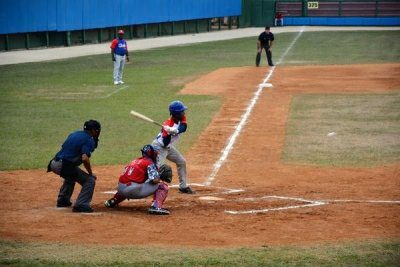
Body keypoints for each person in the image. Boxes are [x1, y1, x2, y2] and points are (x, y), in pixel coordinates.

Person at [47, 120, 101, 213]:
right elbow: (85, 158)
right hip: (63, 165)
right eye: (97, 130)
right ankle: (81, 204)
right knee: (89, 180)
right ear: (93, 131)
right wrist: (90, 173)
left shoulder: (75, 134)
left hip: (54, 163)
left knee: (71, 175)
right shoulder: (88, 139)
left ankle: (63, 200)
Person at [104, 145, 171, 215]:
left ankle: (113, 201)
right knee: (162, 186)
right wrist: (160, 176)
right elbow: (155, 180)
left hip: (120, 189)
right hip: (132, 191)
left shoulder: (135, 160)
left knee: (129, 181)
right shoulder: (149, 163)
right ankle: (156, 207)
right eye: (155, 154)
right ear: (151, 154)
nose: (156, 156)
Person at [152, 100, 195, 194]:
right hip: (159, 147)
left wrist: (175, 131)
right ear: (176, 114)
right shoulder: (167, 124)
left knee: (181, 161)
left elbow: (183, 128)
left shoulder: (181, 117)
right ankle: (147, 188)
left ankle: (183, 187)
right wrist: (168, 133)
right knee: (157, 170)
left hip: (168, 147)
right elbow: (164, 143)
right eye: (182, 111)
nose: (184, 112)